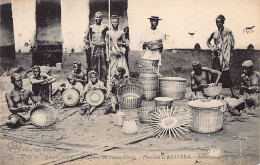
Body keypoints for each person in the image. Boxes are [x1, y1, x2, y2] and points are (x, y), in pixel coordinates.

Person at [206, 14, 237, 98]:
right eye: (217, 22)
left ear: (223, 22)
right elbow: (208, 41)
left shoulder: (228, 32)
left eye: (220, 22)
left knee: (226, 73)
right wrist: (211, 48)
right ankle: (213, 93)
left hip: (224, 57)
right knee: (214, 74)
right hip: (216, 56)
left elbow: (232, 44)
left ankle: (233, 93)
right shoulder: (214, 33)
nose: (218, 24)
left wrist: (227, 54)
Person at [84, 11, 109, 85]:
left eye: (99, 17)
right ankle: (94, 81)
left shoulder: (105, 27)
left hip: (102, 47)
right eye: (97, 17)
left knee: (103, 65)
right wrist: (89, 45)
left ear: (102, 18)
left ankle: (103, 82)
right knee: (94, 65)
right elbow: (88, 37)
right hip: (94, 47)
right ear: (95, 18)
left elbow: (108, 37)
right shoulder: (91, 27)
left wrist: (105, 42)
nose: (98, 18)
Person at [106, 15, 129, 84]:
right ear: (111, 23)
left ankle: (122, 85)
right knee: (112, 70)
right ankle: (112, 85)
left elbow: (124, 44)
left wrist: (121, 50)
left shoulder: (121, 33)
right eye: (113, 22)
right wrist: (108, 55)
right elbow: (107, 45)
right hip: (112, 54)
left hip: (119, 54)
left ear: (118, 23)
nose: (115, 24)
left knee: (121, 69)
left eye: (116, 22)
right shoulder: (108, 33)